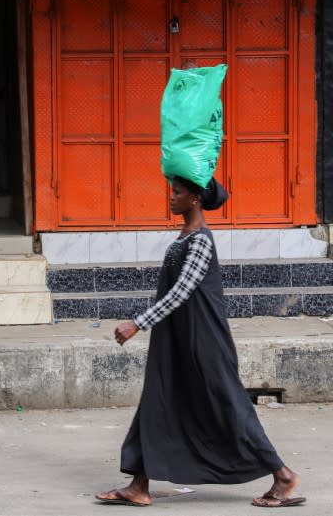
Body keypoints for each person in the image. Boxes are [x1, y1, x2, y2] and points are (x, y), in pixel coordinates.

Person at [95, 176, 306, 509]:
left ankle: (283, 475)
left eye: (178, 192)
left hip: (203, 341)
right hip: (177, 340)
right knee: (158, 401)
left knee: (228, 406)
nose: (171, 197)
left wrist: (138, 323)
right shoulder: (185, 237)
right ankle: (139, 484)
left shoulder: (201, 241)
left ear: (195, 199)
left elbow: (181, 292)